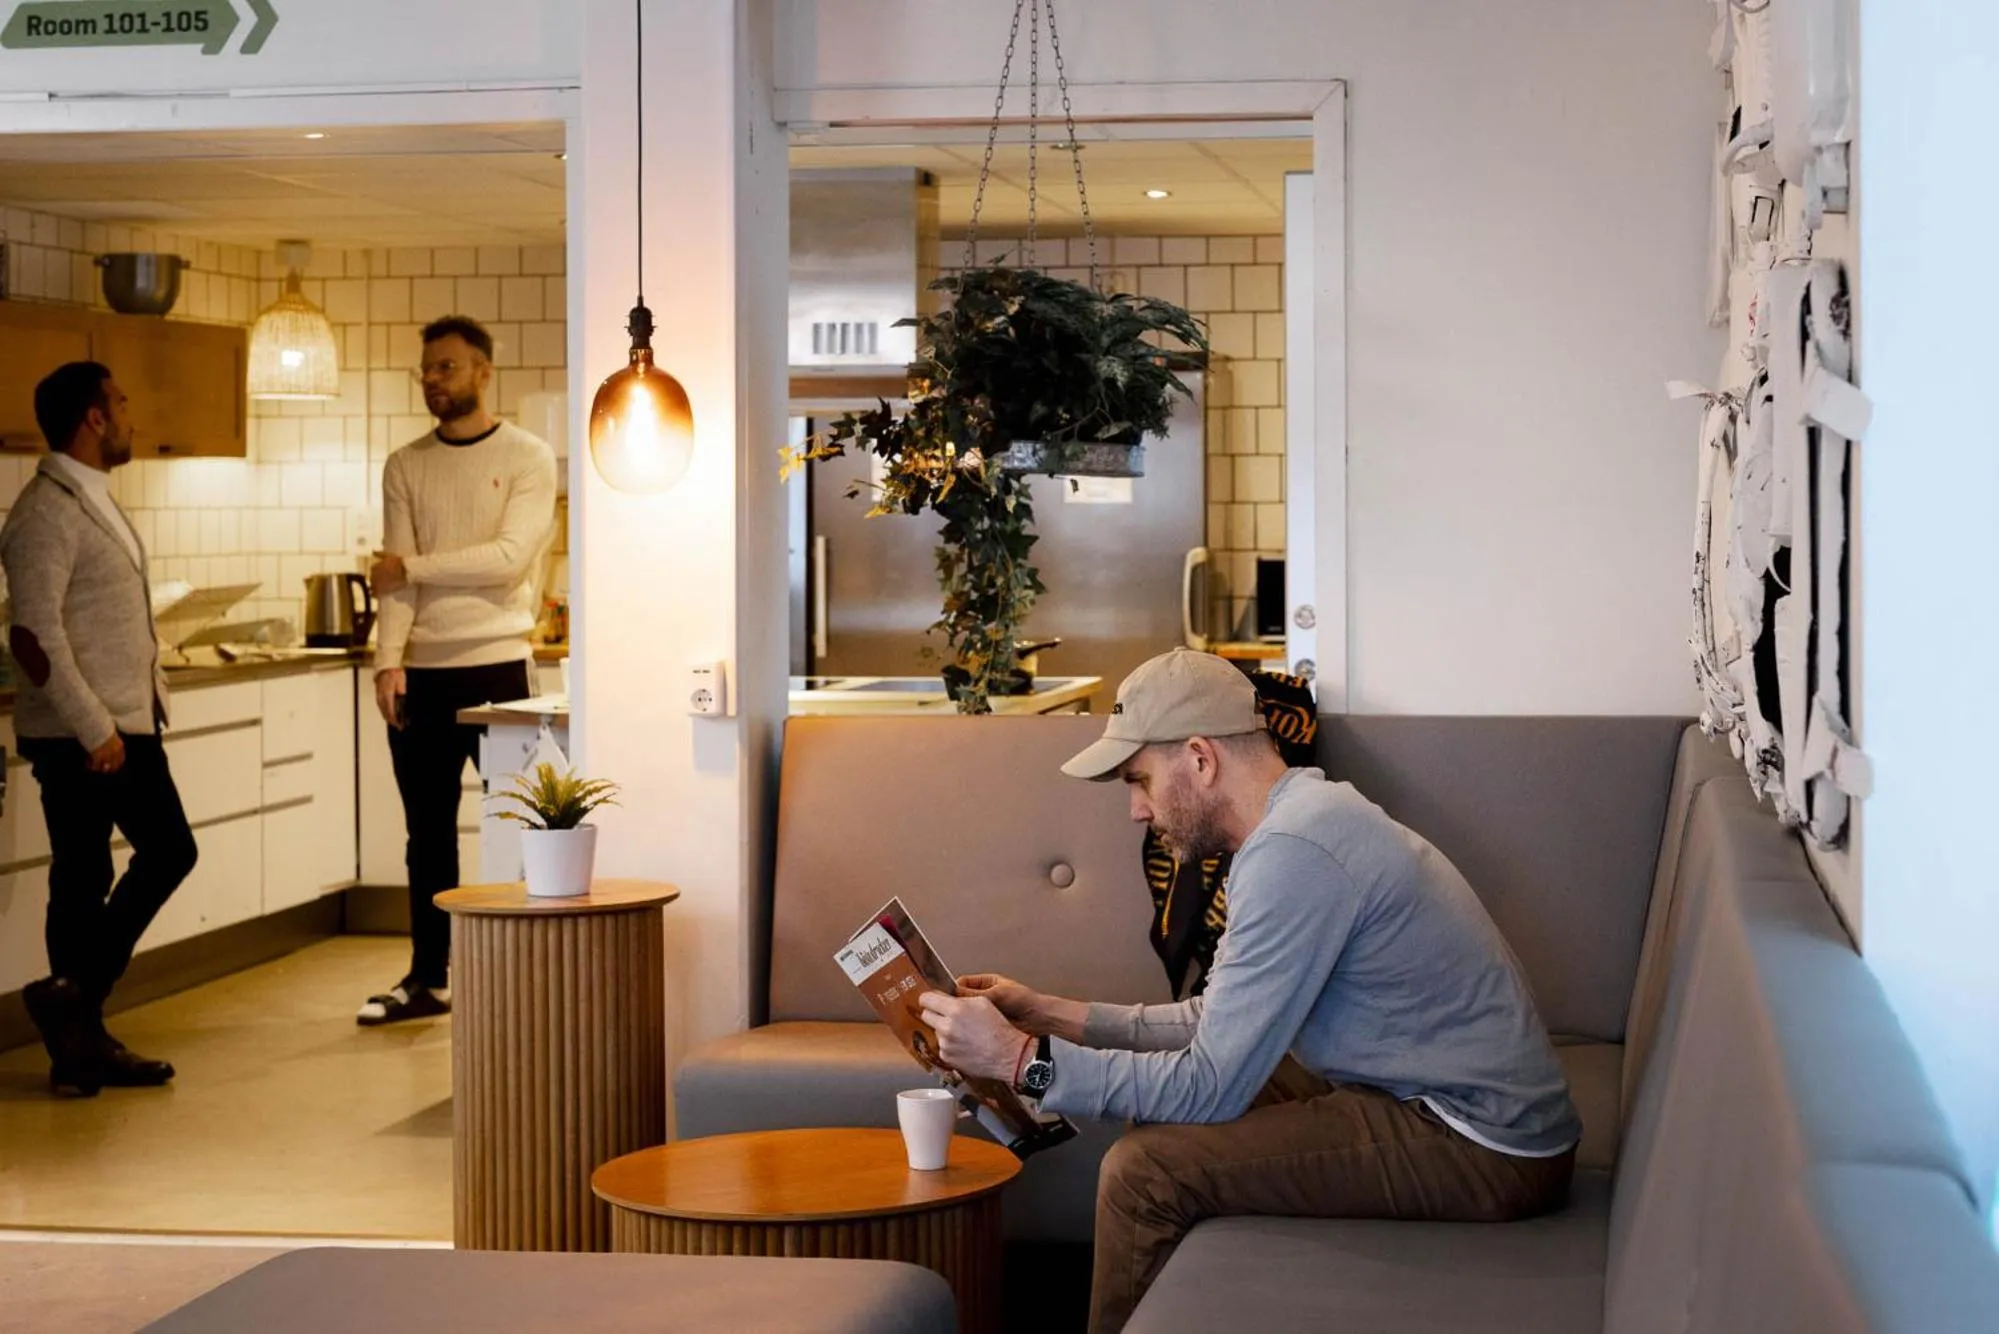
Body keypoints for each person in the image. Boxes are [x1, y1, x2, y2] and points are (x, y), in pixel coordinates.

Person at [919, 648, 1582, 1333]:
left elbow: (1210, 1085)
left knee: (1143, 1175)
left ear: (1200, 759)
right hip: (1430, 1097)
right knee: (1162, 1124)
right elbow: (1216, 1019)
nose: (1136, 811)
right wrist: (1046, 1014)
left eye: (1139, 780)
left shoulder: (1294, 852)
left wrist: (1019, 1061)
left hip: (1480, 1143)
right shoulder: (1299, 821)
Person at [0, 362, 198, 1096]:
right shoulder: (44, 514)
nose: (129, 415)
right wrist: (94, 728)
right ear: (93, 417)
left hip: (120, 720)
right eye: (120, 402)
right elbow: (32, 635)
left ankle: (76, 1034)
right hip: (87, 732)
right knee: (162, 853)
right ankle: (76, 1002)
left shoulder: (91, 497)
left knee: (85, 877)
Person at [359, 316, 557, 1025]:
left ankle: (527, 969)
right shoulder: (404, 464)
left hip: (499, 668)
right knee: (427, 837)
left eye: (446, 367)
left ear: (482, 372)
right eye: (427, 369)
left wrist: (412, 567)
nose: (433, 380)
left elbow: (507, 557)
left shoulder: (529, 456)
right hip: (423, 672)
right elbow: (393, 584)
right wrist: (388, 662)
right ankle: (428, 978)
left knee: (524, 825)